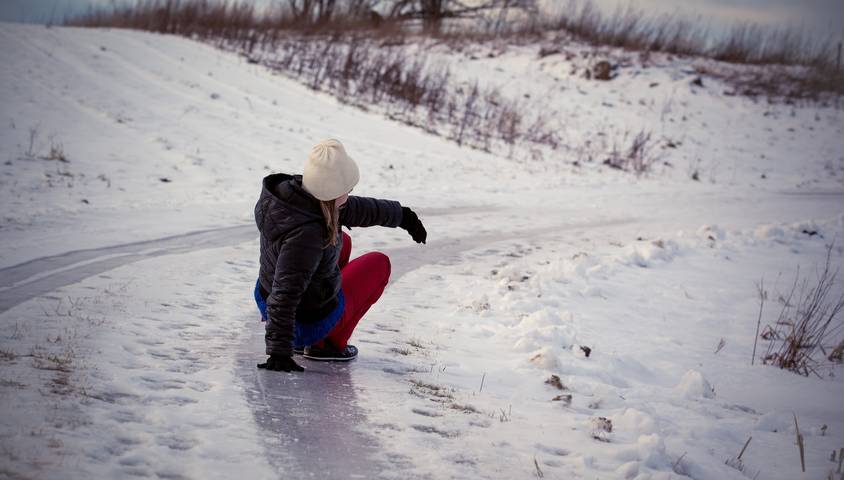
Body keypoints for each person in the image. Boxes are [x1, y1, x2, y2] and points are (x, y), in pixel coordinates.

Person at [254, 139, 427, 372]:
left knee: (342, 240)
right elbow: (285, 293)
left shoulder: (297, 197)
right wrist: (279, 351)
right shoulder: (307, 235)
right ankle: (329, 346)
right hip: (301, 321)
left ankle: (304, 339)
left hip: (271, 294)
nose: (349, 193)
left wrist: (403, 216)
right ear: (331, 192)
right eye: (347, 190)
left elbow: (357, 209)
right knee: (378, 263)